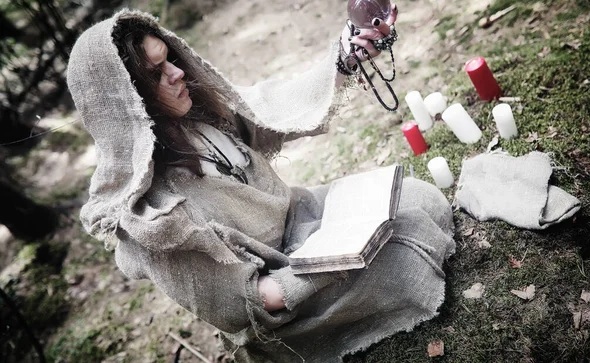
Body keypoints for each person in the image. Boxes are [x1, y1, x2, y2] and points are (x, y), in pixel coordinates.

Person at [67, 8, 456, 363]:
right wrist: (332, 261)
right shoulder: (156, 217)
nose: (176, 72)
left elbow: (273, 108)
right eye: (155, 74)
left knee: (421, 199)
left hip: (305, 221)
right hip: (290, 290)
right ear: (126, 102)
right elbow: (250, 303)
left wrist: (345, 55)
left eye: (169, 58)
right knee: (408, 252)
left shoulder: (197, 117)